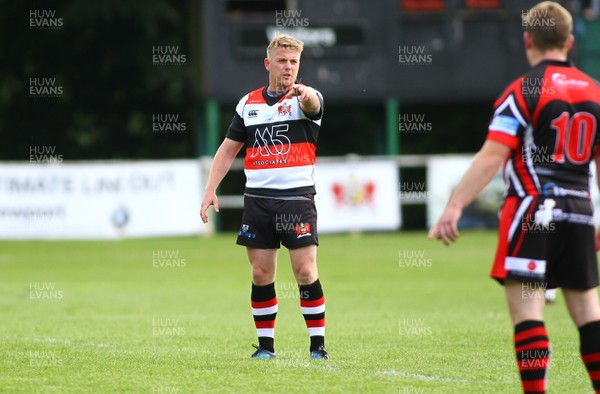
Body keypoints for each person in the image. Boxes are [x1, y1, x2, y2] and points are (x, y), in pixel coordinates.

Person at [428, 2, 600, 393]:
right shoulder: (595, 91)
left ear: (528, 40)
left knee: (528, 311)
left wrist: (454, 206)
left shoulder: (524, 90)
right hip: (579, 212)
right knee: (589, 314)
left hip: (532, 211)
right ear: (570, 42)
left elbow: (493, 155)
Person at [200, 34, 328, 360]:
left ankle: (317, 347)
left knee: (304, 270)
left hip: (296, 200)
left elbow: (313, 102)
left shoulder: (305, 100)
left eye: (294, 62)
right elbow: (228, 150)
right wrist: (210, 189)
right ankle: (266, 348)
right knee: (260, 273)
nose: (289, 67)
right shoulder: (248, 104)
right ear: (268, 63)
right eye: (283, 61)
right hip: (257, 200)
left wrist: (306, 93)